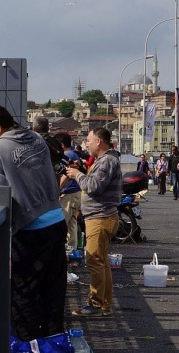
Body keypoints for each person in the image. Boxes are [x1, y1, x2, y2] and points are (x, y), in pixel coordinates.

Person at [0, 106, 67, 340]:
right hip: (57, 220)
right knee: (53, 290)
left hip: (31, 230)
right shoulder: (37, 138)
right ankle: (54, 340)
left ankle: (30, 343)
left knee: (23, 294)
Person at [64, 127, 122, 318]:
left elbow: (94, 186)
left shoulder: (106, 161)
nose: (86, 144)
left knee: (94, 261)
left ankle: (95, 304)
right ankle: (104, 304)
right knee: (102, 262)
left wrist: (76, 175)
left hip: (100, 217)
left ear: (99, 141)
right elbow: (95, 182)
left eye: (88, 140)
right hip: (100, 216)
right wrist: (81, 170)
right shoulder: (104, 160)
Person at [55, 133, 82, 251]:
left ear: (61, 144)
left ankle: (62, 253)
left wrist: (57, 189)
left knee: (61, 225)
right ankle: (72, 253)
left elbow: (66, 175)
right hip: (76, 194)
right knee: (72, 226)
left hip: (69, 195)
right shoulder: (74, 154)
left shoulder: (66, 156)